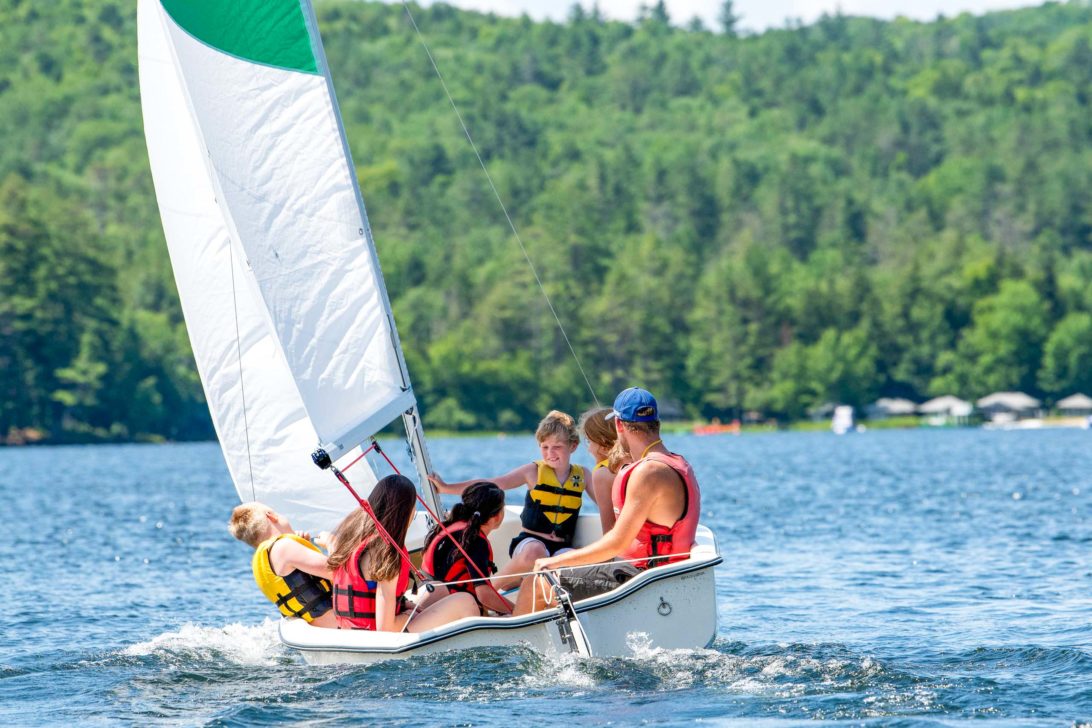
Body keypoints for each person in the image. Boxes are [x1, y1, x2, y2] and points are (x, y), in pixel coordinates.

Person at [513, 388, 701, 615]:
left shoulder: (648, 471)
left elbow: (616, 543)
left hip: (641, 581)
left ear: (620, 425)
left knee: (536, 582)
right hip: (660, 578)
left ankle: (515, 647)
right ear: (656, 422)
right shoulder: (678, 463)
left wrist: (553, 563)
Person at [429, 410, 587, 589]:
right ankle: (492, 588)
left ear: (573, 446)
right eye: (545, 447)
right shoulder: (532, 472)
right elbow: (493, 483)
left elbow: (606, 500)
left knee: (578, 561)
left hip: (560, 548)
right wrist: (446, 488)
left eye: (557, 447)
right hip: (529, 544)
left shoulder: (582, 475)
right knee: (536, 551)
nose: (550, 453)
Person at [328, 474, 478, 632]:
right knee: (466, 601)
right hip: (381, 642)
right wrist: (408, 615)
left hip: (352, 631)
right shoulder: (386, 553)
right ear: (406, 512)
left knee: (437, 589)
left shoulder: (354, 537)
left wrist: (406, 605)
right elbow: (385, 629)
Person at [228, 502, 338, 628]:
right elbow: (343, 573)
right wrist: (332, 544)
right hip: (342, 627)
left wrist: (304, 546)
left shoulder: (270, 556)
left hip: (319, 628)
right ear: (271, 516)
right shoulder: (284, 547)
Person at [421, 481, 514, 615]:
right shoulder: (476, 541)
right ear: (497, 516)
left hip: (427, 597)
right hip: (450, 608)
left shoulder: (452, 526)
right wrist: (518, 611)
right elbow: (484, 595)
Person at [578, 406, 632, 534]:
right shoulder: (637, 459)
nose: (588, 449)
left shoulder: (602, 473)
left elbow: (609, 530)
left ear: (602, 445)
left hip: (628, 549)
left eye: (588, 442)